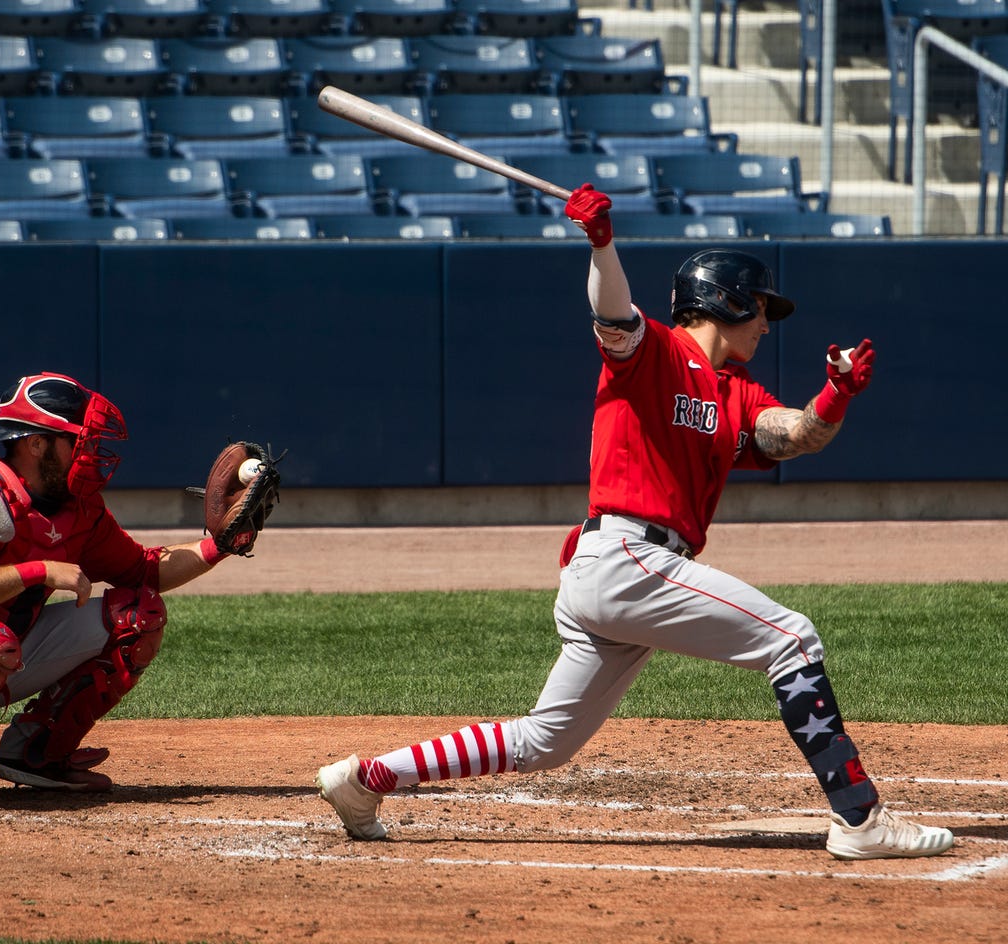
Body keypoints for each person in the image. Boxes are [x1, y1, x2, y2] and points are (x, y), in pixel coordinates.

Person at [315, 183, 955, 861]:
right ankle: (860, 820)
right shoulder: (654, 351)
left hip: (619, 575)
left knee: (545, 742)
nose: (767, 325)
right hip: (628, 559)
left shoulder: (735, 391)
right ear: (727, 301)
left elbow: (793, 434)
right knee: (792, 639)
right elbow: (612, 312)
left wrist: (837, 394)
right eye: (760, 310)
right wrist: (602, 242)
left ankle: (367, 779)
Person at [0, 371, 252, 808]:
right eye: (78, 440)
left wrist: (220, 546)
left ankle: (37, 753)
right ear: (35, 443)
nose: (91, 452)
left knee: (138, 613)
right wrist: (40, 570)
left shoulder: (79, 508)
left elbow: (144, 570)